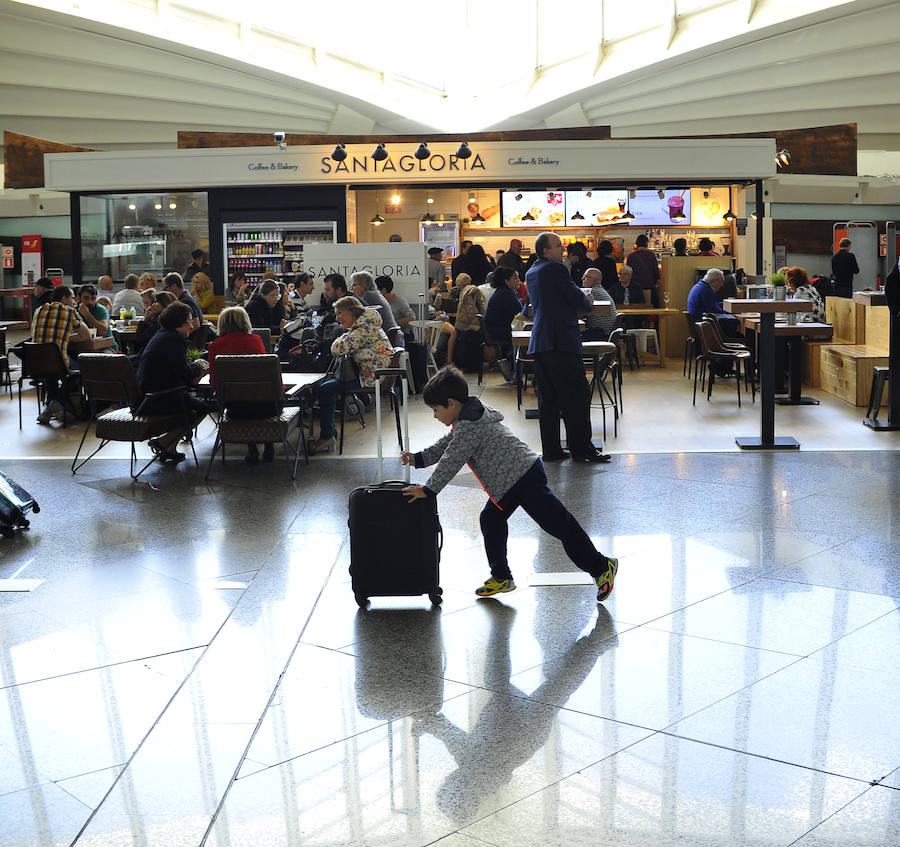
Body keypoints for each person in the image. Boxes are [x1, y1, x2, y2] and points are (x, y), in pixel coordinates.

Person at [400, 366, 618, 600]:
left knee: (560, 526)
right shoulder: (469, 415)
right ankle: (502, 577)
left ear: (452, 404)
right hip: (511, 482)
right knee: (491, 519)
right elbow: (448, 443)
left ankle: (602, 567)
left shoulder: (469, 427)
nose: (435, 415)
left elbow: (451, 459)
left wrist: (428, 490)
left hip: (524, 478)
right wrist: (420, 458)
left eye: (435, 409)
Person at [525, 231, 609, 464]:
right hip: (561, 340)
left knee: (548, 399)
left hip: (541, 341)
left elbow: (539, 304)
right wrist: (588, 301)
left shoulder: (531, 271)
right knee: (576, 397)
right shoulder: (556, 268)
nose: (563, 249)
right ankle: (582, 450)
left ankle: (551, 450)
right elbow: (578, 300)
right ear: (546, 250)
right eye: (558, 245)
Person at [310, 296, 392, 455]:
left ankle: (327, 436)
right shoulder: (367, 324)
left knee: (326, 389)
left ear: (352, 311)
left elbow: (337, 349)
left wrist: (340, 337)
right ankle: (329, 432)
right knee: (330, 386)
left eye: (340, 313)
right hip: (376, 373)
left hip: (372, 377)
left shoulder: (361, 329)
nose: (337, 317)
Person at [136, 301, 208, 464]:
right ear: (179, 323)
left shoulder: (162, 335)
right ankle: (164, 443)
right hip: (157, 399)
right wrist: (199, 365)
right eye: (189, 322)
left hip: (145, 397)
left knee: (191, 406)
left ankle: (167, 446)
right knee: (201, 408)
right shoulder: (174, 340)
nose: (191, 326)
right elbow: (185, 376)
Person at [207, 307, 272, 464]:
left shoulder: (215, 346)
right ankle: (269, 446)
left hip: (235, 408)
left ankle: (252, 449)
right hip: (265, 407)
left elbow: (215, 383)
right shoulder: (256, 340)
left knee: (243, 398)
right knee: (259, 396)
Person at [31, 285, 90, 423]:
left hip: (35, 363)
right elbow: (86, 336)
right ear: (64, 299)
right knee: (80, 370)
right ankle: (56, 403)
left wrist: (62, 336)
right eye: (71, 298)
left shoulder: (39, 310)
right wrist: (65, 337)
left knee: (49, 368)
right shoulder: (69, 311)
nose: (74, 302)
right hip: (58, 362)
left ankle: (51, 406)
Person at [483, 266, 522, 381]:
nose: (518, 281)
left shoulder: (503, 292)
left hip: (495, 329)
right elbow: (520, 313)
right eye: (515, 278)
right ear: (506, 281)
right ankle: (517, 370)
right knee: (523, 337)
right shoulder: (507, 294)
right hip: (500, 331)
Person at [350, 271, 402, 345]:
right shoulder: (375, 293)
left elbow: (358, 318)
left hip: (386, 339)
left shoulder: (368, 295)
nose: (351, 288)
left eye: (354, 285)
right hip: (394, 337)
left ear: (363, 285)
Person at [686, 268, 740, 336]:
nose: (722, 285)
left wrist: (726, 304)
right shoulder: (707, 291)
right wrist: (733, 311)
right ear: (714, 281)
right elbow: (714, 311)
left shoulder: (700, 286)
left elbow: (713, 305)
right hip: (704, 329)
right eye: (721, 282)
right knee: (739, 334)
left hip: (698, 325)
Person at [450, 273, 486, 372]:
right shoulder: (455, 292)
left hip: (465, 323)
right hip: (468, 322)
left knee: (454, 332)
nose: (466, 287)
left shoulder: (472, 292)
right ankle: (450, 360)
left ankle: (449, 360)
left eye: (468, 284)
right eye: (464, 285)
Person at [76, 284, 118, 351]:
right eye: (86, 298)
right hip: (82, 347)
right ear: (78, 298)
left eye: (93, 299)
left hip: (106, 347)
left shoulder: (100, 310)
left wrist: (87, 314)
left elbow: (102, 331)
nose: (90, 302)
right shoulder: (74, 310)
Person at [133, 290, 175, 355]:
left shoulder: (159, 321)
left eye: (156, 302)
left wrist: (145, 320)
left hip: (149, 355)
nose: (153, 304)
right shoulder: (156, 317)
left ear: (164, 304)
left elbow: (141, 340)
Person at [581, 267, 618, 341]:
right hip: (606, 331)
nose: (582, 278)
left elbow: (580, 310)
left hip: (600, 333)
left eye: (586, 276)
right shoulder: (600, 290)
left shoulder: (592, 292)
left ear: (594, 280)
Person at [626, 234, 661, 306]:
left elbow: (628, 273)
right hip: (649, 287)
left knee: (636, 311)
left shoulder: (631, 256)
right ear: (646, 243)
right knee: (654, 309)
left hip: (635, 289)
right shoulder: (651, 255)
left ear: (636, 244)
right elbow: (656, 273)